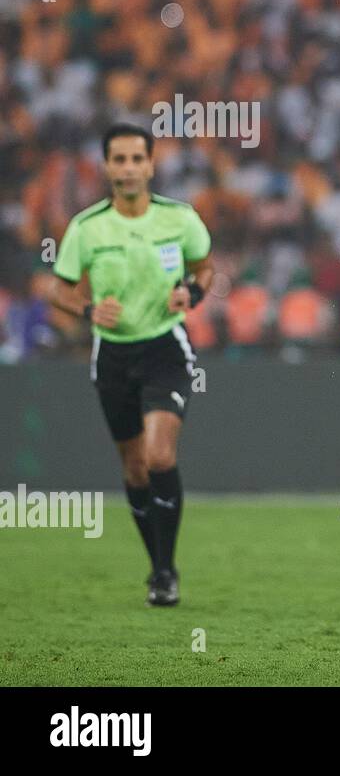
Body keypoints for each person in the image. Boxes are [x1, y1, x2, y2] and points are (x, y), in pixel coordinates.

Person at [46, 124, 213, 606]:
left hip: (164, 348)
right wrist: (86, 311)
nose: (128, 168)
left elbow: (205, 266)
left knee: (160, 457)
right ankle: (158, 565)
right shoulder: (87, 227)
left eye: (136, 159)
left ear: (151, 164)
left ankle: (164, 571)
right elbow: (59, 287)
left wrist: (193, 292)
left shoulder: (179, 220)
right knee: (135, 469)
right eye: (118, 160)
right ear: (106, 167)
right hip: (113, 355)